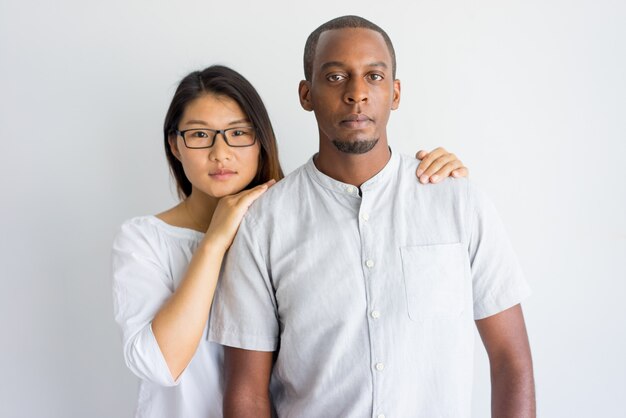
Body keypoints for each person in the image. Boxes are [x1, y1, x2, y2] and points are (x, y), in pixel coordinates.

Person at [210, 16, 535, 418]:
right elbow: (246, 394)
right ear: (306, 93)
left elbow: (510, 362)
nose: (357, 93)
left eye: (374, 76)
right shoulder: (264, 223)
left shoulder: (458, 203)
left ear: (395, 93)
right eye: (335, 77)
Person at [111, 65, 468, 418]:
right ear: (175, 145)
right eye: (200, 135)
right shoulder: (144, 240)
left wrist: (434, 174)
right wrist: (214, 242)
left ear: (261, 141)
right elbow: (159, 365)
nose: (220, 153)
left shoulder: (291, 225)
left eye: (237, 133)